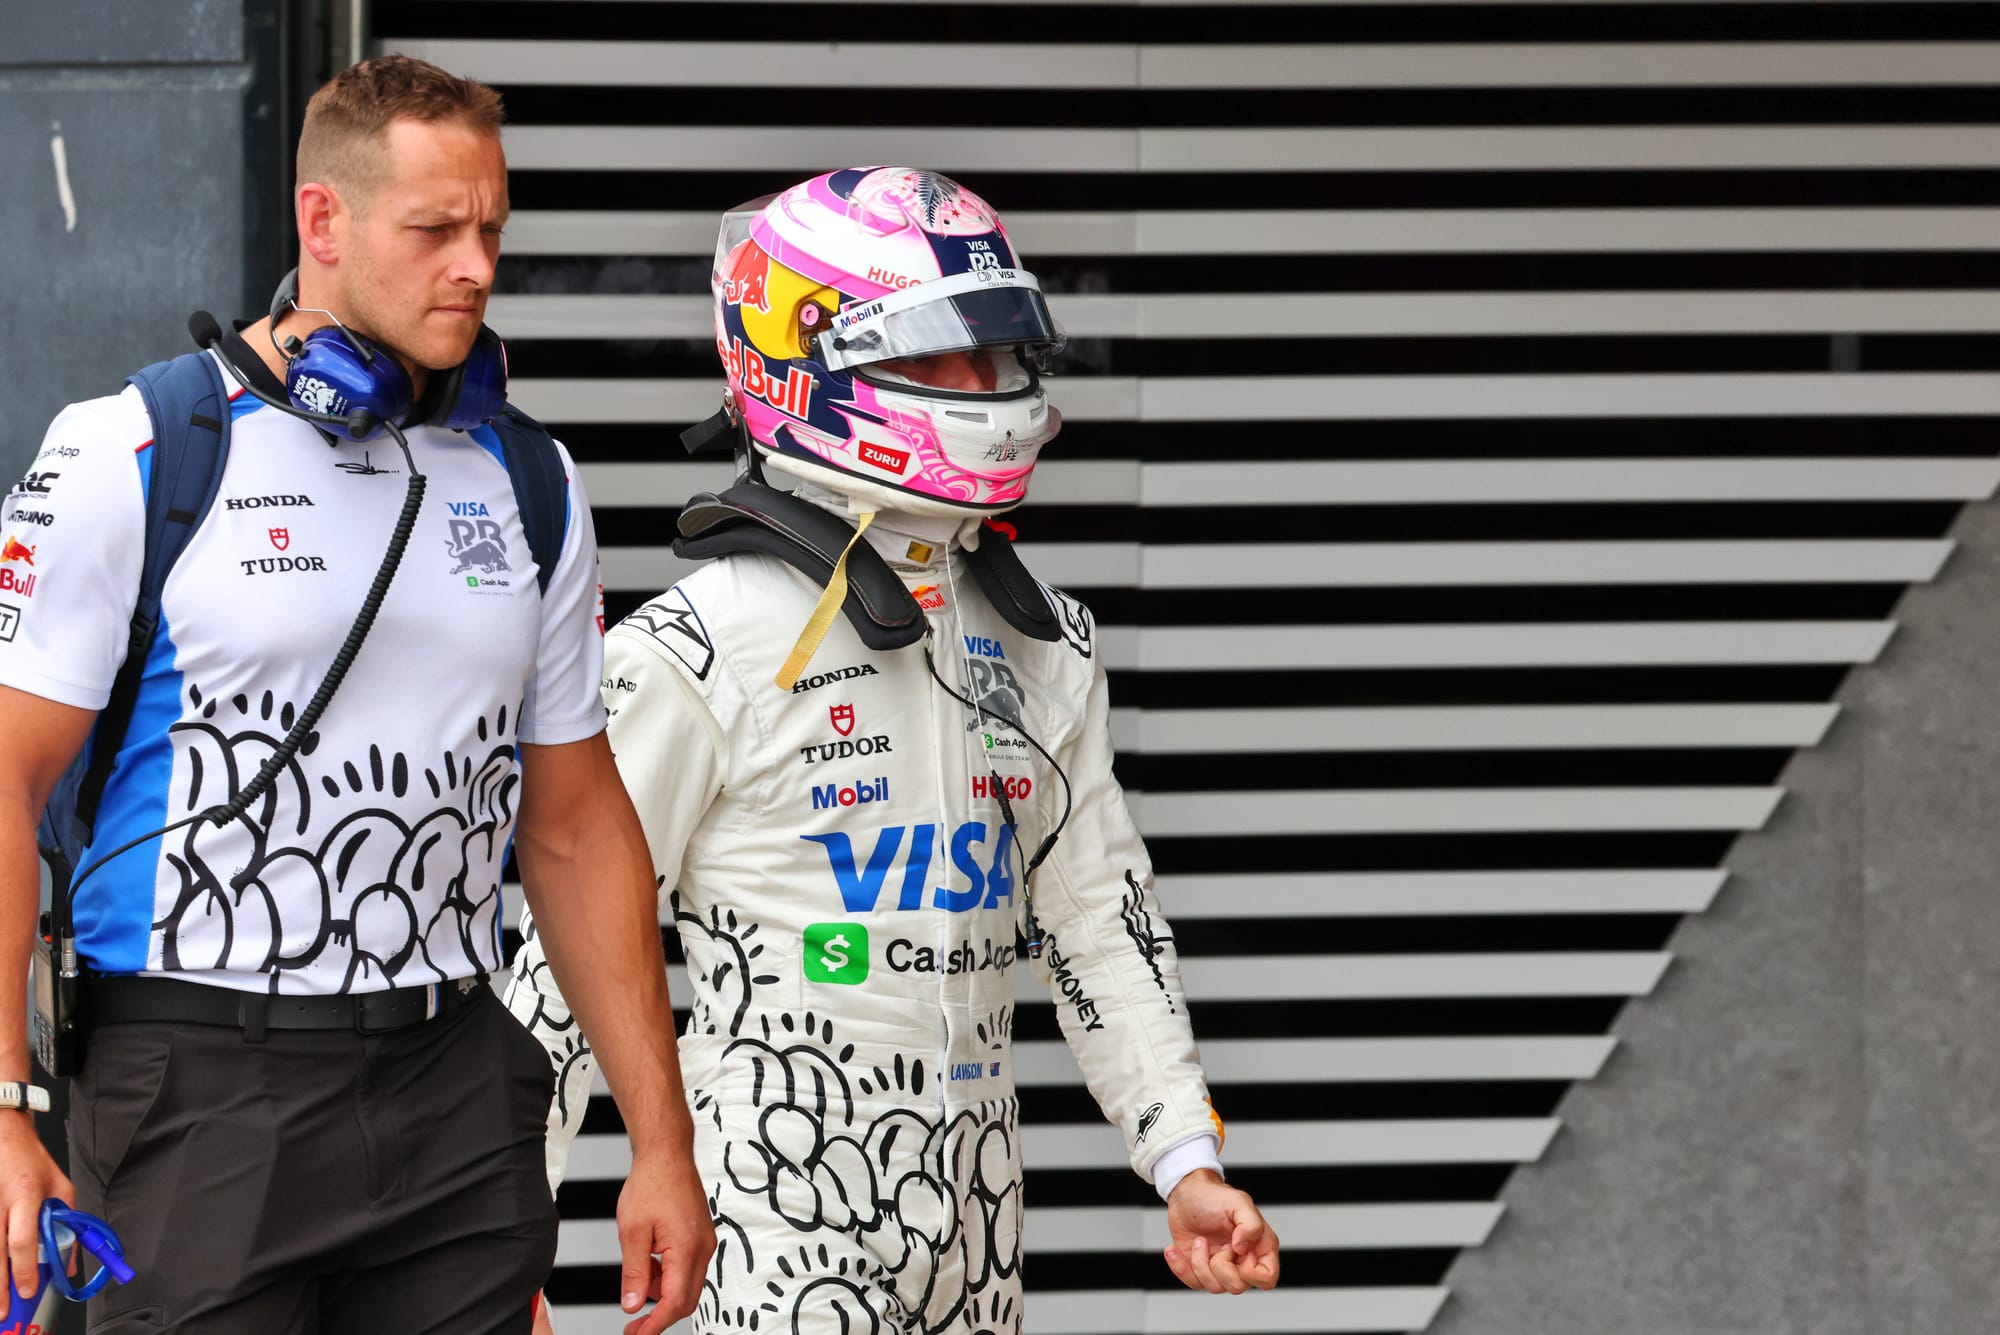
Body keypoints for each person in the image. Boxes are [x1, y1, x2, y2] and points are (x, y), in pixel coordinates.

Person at [0, 55, 711, 1334]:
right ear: (321, 221)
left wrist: (662, 1143)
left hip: (454, 1090)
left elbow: (572, 823)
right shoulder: (135, 450)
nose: (476, 268)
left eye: (492, 231)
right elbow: (5, 781)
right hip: (198, 1088)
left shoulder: (528, 477)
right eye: (436, 231)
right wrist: (3, 1110)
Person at [508, 166, 1278, 1334]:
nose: (985, 388)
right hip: (776, 1221)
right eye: (938, 359)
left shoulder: (1044, 643)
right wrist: (504, 1235)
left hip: (980, 1231)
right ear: (804, 365)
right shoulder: (696, 648)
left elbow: (1097, 918)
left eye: (995, 354)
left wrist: (1183, 1158)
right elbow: (566, 948)